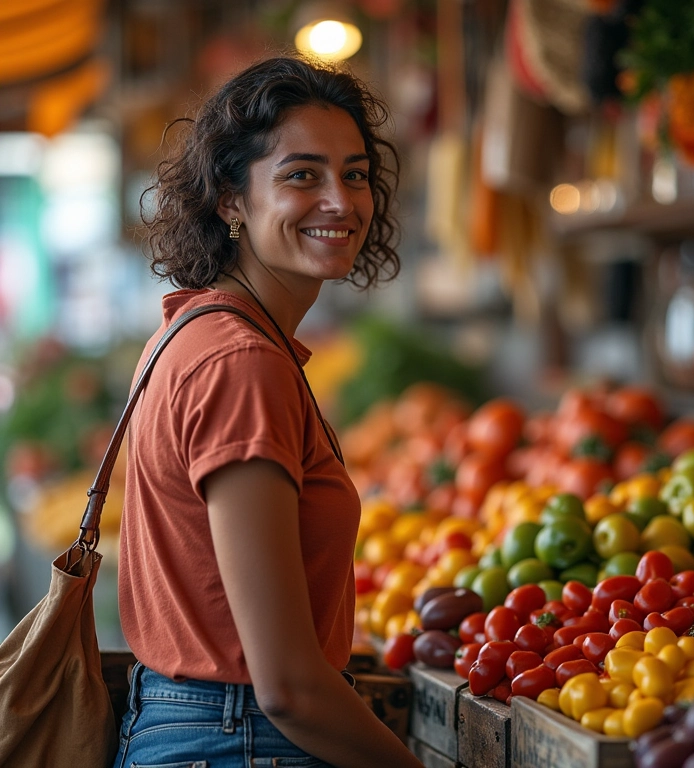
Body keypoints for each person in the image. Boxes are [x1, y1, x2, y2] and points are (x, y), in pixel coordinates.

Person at [112, 53, 425, 768]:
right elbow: (286, 685)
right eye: (301, 176)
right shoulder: (242, 364)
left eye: (354, 174)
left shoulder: (193, 332)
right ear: (231, 201)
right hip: (245, 743)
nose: (340, 202)